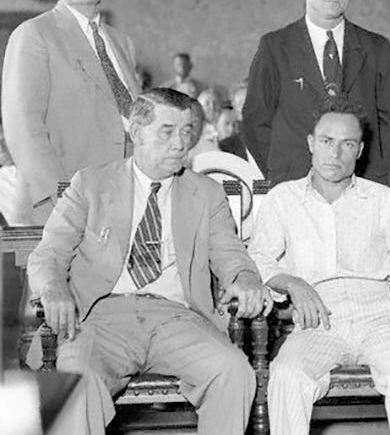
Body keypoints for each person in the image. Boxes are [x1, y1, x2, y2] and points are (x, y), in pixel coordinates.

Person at [26, 89, 273, 435]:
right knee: (75, 383)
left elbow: (231, 256)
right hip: (100, 318)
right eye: (167, 131)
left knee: (234, 371)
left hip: (178, 318)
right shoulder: (91, 184)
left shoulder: (207, 194)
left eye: (187, 131)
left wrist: (245, 276)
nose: (180, 143)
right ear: (136, 132)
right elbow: (49, 254)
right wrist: (53, 287)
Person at [248, 99, 390, 434]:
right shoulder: (283, 199)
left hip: (381, 317)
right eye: (327, 141)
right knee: (287, 375)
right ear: (312, 143)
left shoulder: (382, 199)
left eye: (348, 144)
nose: (335, 153)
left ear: (359, 150)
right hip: (317, 319)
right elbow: (259, 257)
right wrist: (293, 283)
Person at [1, 0, 140, 225]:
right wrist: (62, 202)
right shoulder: (34, 34)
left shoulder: (121, 42)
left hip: (118, 203)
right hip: (61, 209)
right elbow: (24, 129)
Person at [243, 0, 390, 185]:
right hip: (293, 186)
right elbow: (256, 120)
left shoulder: (376, 47)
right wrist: (283, 173)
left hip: (361, 184)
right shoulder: (275, 46)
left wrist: (368, 170)